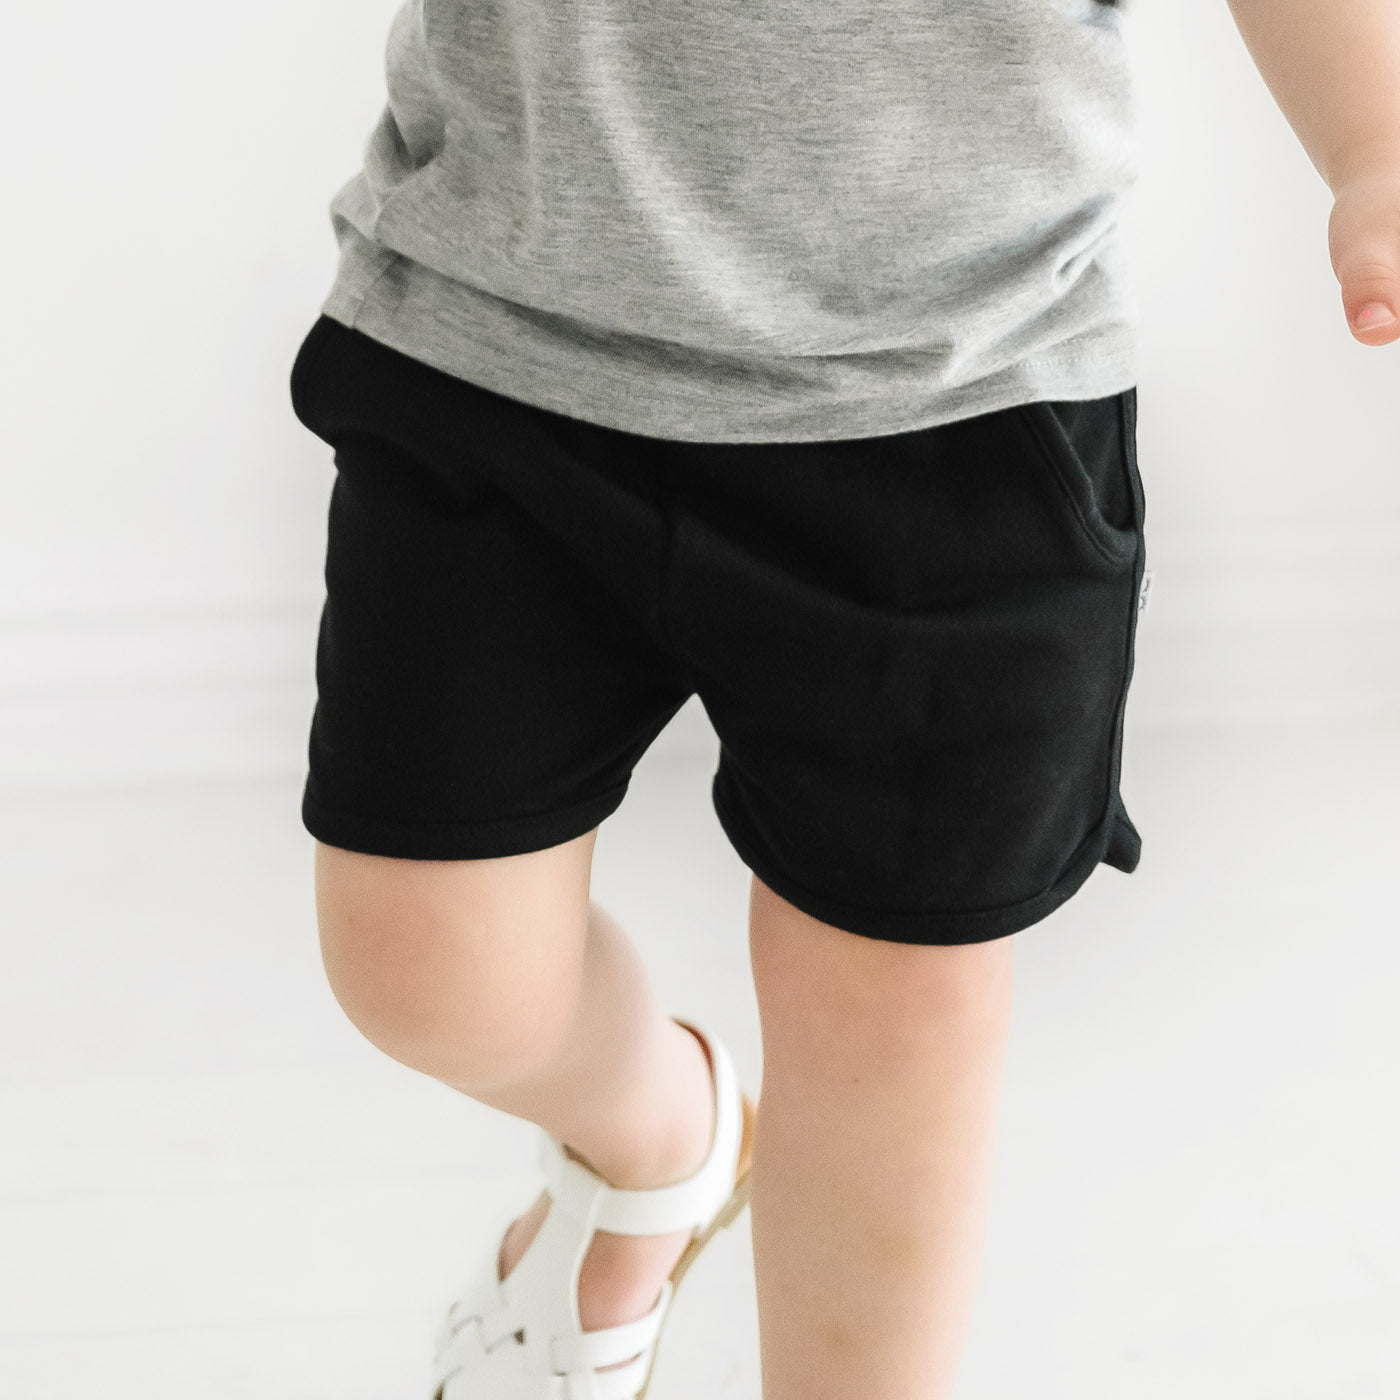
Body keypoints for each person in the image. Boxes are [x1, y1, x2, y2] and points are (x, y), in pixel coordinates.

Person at [286, 0, 1399, 1396]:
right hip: (497, 330)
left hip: (954, 389)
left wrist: (1376, 142)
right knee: (426, 971)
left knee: (890, 1023)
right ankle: (660, 1144)